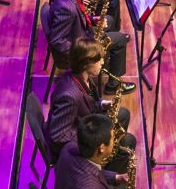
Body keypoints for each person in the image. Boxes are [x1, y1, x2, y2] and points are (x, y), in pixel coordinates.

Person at [47, 39, 137, 173]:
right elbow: (58, 135)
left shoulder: (82, 77)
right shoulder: (69, 96)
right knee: (129, 141)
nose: (102, 62)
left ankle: (111, 150)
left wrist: (102, 104)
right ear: (86, 63)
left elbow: (89, 100)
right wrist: (93, 138)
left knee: (123, 113)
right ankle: (106, 177)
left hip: (86, 122)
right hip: (78, 146)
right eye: (99, 59)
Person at [46, 0, 134, 93]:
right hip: (78, 50)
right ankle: (113, 86)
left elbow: (79, 16)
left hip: (81, 34)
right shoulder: (67, 8)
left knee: (108, 20)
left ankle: (109, 57)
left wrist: (94, 20)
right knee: (120, 40)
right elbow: (57, 41)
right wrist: (85, 50)